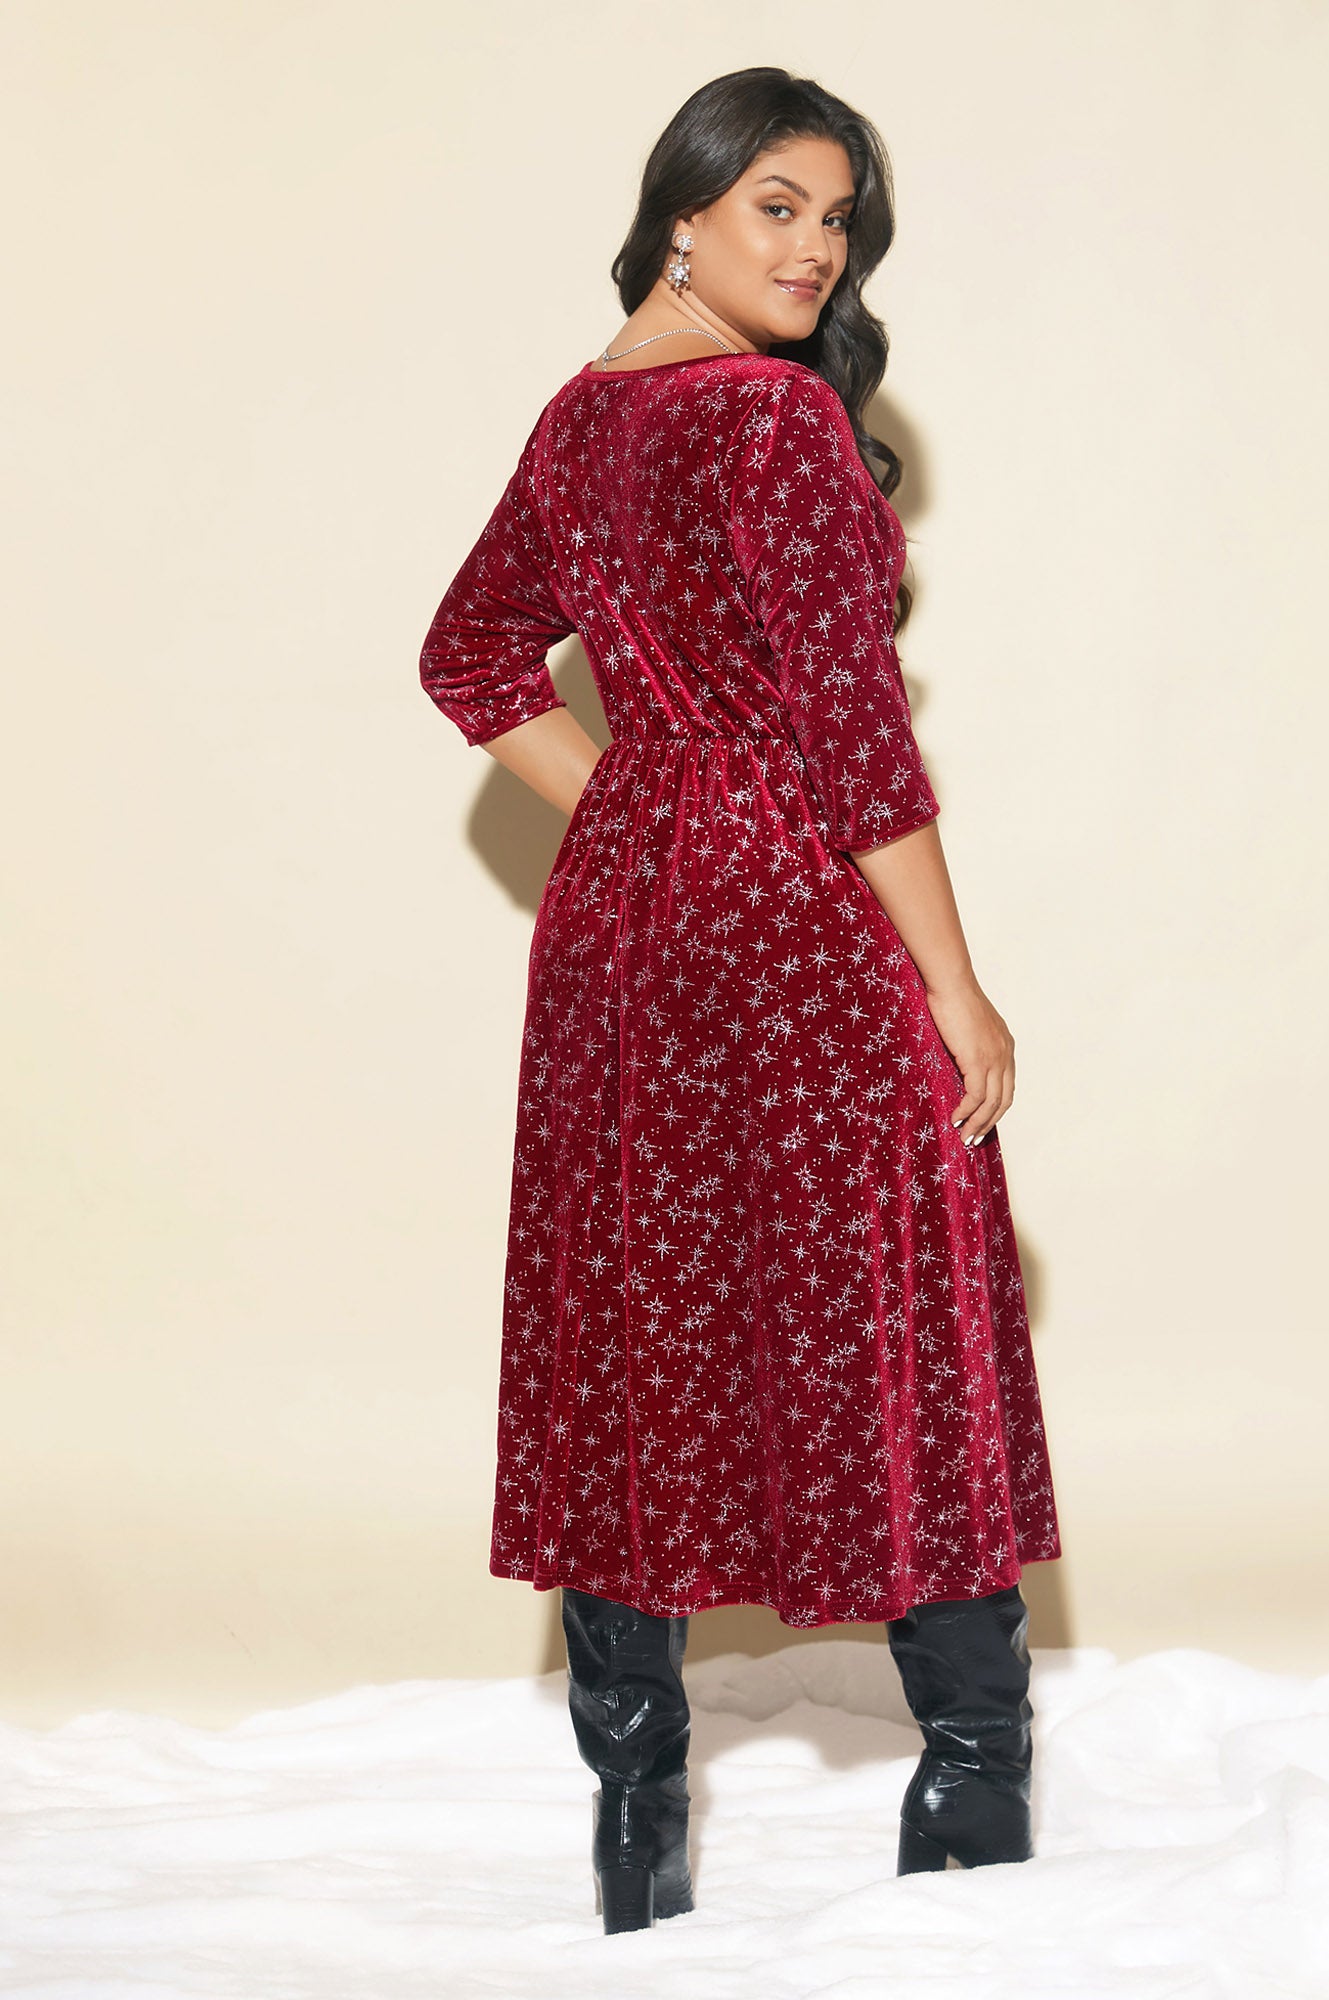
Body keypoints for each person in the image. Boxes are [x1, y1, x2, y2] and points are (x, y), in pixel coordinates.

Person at [418, 66, 1063, 1934]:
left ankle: (637, 1825)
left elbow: (468, 660)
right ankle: (970, 1794)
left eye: (837, 217)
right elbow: (858, 747)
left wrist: (646, 796)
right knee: (905, 1312)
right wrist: (957, 987)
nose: (815, 246)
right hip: (793, 914)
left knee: (637, 1321)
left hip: (621, 929)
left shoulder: (580, 418)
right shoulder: (774, 423)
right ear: (682, 212)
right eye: (777, 204)